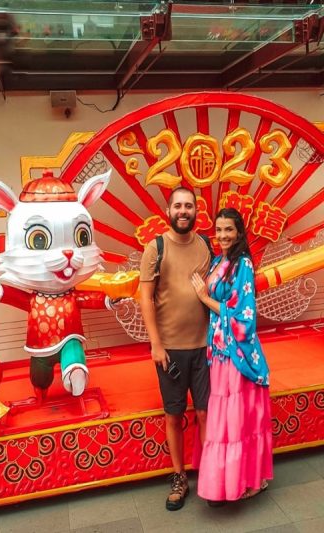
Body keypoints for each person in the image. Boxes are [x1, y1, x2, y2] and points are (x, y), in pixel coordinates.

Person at [191, 208, 272, 504]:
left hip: (237, 354)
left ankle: (248, 481)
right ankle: (226, 481)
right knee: (225, 421)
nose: (223, 235)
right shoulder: (218, 261)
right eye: (219, 230)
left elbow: (244, 315)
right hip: (219, 351)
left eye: (229, 230)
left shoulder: (244, 265)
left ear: (239, 232)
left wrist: (205, 299)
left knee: (238, 423)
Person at [139, 187, 211, 511]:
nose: (183, 211)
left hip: (205, 346)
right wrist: (155, 343)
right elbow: (145, 298)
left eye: (189, 206)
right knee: (174, 414)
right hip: (169, 350)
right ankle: (179, 476)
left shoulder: (207, 246)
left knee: (205, 413)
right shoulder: (155, 247)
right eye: (178, 206)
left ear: (197, 210)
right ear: (168, 210)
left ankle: (209, 474)